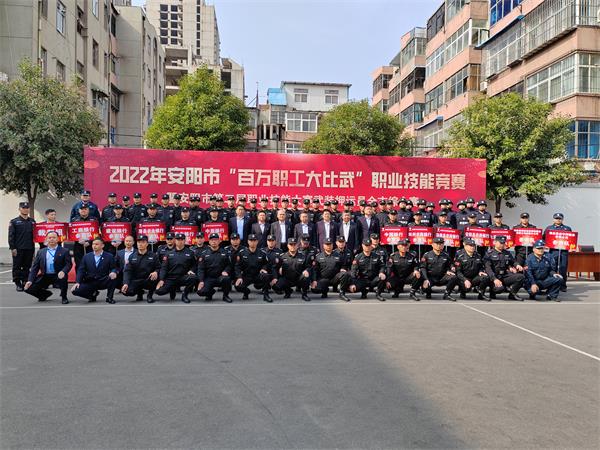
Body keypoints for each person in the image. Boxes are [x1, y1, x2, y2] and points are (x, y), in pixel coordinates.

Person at [24, 231, 71, 303]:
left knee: (63, 278)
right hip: (45, 275)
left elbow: (68, 264)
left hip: (58, 275)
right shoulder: (41, 252)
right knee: (28, 288)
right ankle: (44, 294)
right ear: (46, 239)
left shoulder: (64, 251)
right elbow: (35, 268)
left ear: (58, 239)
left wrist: (63, 271)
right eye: (50, 238)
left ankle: (64, 297)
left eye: (54, 237)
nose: (52, 239)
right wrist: (30, 280)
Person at [71, 237, 118, 303]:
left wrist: (113, 272)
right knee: (75, 290)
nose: (94, 246)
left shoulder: (109, 256)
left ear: (102, 245)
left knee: (113, 278)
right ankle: (93, 294)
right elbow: (81, 270)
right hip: (90, 281)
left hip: (103, 280)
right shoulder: (86, 257)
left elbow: (114, 268)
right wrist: (78, 282)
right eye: (93, 244)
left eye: (96, 244)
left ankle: (109, 297)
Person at [155, 233, 198, 303]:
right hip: (171, 278)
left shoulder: (190, 252)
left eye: (182, 240)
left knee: (194, 278)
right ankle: (172, 289)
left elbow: (195, 265)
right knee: (159, 291)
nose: (180, 241)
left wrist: (191, 270)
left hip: (183, 277)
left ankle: (184, 295)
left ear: (184, 241)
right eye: (178, 240)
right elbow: (164, 268)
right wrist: (161, 279)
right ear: (175, 240)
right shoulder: (168, 254)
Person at [121, 235, 160, 303]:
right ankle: (139, 293)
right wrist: (126, 283)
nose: (140, 244)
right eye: (139, 242)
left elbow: (159, 267)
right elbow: (127, 271)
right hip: (136, 280)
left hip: (148, 279)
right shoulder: (132, 256)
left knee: (154, 277)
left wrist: (156, 272)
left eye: (143, 242)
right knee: (126, 291)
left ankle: (150, 295)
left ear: (147, 244)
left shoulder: (153, 255)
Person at [484, 236, 525, 300]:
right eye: (500, 243)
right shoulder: (489, 254)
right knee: (499, 289)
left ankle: (512, 294)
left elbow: (513, 261)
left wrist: (517, 265)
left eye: (503, 243)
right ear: (495, 242)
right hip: (494, 277)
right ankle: (492, 291)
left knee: (520, 277)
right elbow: (488, 268)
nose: (502, 245)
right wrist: (494, 279)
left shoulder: (507, 253)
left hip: (504, 276)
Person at [234, 234, 272, 301]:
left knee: (266, 276)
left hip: (257, 275)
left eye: (254, 241)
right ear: (248, 241)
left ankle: (266, 295)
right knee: (237, 286)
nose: (253, 242)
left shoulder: (262, 253)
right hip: (246, 276)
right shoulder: (242, 253)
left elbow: (267, 263)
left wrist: (264, 269)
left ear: (257, 242)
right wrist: (239, 277)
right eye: (251, 240)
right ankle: (246, 292)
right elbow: (237, 266)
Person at [196, 233, 233, 303]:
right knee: (200, 292)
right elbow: (201, 269)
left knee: (227, 279)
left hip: (220, 277)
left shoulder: (225, 252)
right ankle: (210, 292)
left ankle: (225, 296)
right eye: (212, 240)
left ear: (219, 241)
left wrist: (226, 271)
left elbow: (229, 265)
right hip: (209, 278)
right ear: (209, 242)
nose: (214, 241)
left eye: (216, 240)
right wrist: (201, 281)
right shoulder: (204, 253)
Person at [9, 202, 36, 291]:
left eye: (27, 208)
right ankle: (18, 283)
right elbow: (11, 236)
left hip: (29, 248)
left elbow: (35, 236)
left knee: (27, 266)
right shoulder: (14, 222)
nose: (25, 209)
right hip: (18, 248)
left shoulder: (32, 221)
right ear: (19, 209)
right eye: (23, 208)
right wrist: (12, 248)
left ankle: (25, 281)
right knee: (17, 266)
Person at [544, 213, 571, 292]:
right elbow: (544, 238)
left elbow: (570, 239)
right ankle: (551, 285)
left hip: (563, 252)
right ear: (553, 219)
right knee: (552, 268)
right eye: (556, 218)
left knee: (563, 268)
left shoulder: (567, 228)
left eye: (560, 218)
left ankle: (563, 285)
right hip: (553, 251)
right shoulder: (549, 228)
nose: (558, 220)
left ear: (562, 219)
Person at [71, 204, 98, 271]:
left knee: (91, 263)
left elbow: (96, 233)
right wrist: (78, 240)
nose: (83, 210)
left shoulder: (94, 220)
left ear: (88, 210)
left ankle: (90, 277)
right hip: (78, 244)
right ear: (79, 211)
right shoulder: (74, 220)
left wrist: (89, 242)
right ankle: (79, 277)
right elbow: (71, 232)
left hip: (90, 245)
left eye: (85, 209)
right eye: (82, 209)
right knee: (78, 263)